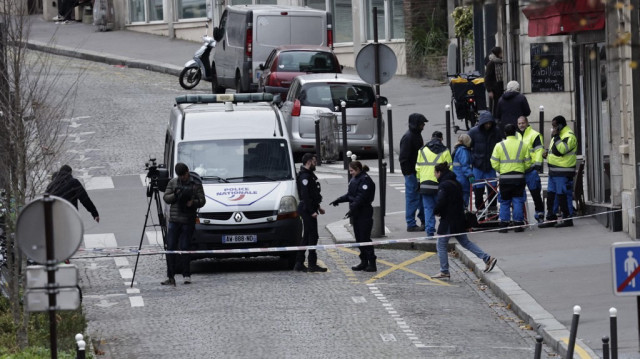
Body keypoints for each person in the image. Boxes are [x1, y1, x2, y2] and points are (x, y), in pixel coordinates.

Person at [432, 162, 497, 279]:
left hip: (448, 219)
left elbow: (441, 201)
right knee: (465, 242)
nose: (434, 176)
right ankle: (487, 258)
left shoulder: (444, 185)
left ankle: (444, 270)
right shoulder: (456, 183)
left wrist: (436, 211)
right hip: (459, 218)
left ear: (439, 172)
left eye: (435, 173)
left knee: (441, 244)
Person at [161, 163, 206, 286]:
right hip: (174, 220)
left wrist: (193, 202)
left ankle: (187, 275)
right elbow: (166, 197)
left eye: (184, 175)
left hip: (188, 220)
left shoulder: (195, 183)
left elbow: (202, 201)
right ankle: (170, 276)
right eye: (180, 176)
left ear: (188, 172)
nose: (182, 178)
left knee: (185, 248)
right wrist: (176, 195)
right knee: (170, 248)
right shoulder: (173, 182)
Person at [330, 161, 377, 272]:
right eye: (350, 171)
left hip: (364, 212)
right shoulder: (355, 179)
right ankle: (364, 261)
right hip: (357, 212)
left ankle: (372, 263)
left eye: (352, 171)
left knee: (365, 238)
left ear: (358, 169)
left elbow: (361, 197)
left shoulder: (365, 180)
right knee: (359, 239)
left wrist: (352, 209)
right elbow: (350, 195)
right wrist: (339, 200)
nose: (350, 173)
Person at [490, 124, 531, 233]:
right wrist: (521, 169)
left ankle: (504, 224)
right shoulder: (523, 145)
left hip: (505, 177)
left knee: (504, 201)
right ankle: (518, 224)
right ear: (515, 133)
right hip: (519, 177)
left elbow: (493, 162)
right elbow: (528, 163)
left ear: (505, 133)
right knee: (517, 200)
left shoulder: (499, 146)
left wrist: (501, 169)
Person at [539, 116, 578, 228]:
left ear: (561, 125)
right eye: (552, 126)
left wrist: (556, 136)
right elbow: (555, 151)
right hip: (554, 171)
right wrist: (547, 154)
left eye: (555, 125)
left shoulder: (569, 136)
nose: (553, 128)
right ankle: (551, 218)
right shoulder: (558, 136)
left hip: (563, 171)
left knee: (562, 195)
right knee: (551, 195)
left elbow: (562, 150)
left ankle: (567, 218)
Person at [416, 131, 452, 238]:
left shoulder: (422, 150)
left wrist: (419, 182)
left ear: (431, 138)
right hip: (440, 184)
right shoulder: (445, 150)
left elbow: (417, 168)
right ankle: (444, 230)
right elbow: (450, 168)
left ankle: (430, 231)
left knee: (428, 208)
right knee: (444, 208)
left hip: (425, 184)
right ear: (441, 139)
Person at [295, 153, 327, 273]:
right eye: (314, 161)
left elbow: (313, 194)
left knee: (307, 236)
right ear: (308, 162)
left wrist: (318, 207)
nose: (315, 164)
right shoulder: (305, 177)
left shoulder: (308, 175)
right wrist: (312, 211)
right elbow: (305, 196)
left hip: (309, 208)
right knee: (313, 235)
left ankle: (299, 263)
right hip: (306, 209)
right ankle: (312, 264)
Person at [398, 113, 427, 232]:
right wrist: (408, 173)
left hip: (415, 172)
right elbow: (404, 158)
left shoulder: (413, 135)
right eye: (422, 123)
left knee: (417, 197)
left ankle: (418, 221)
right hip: (412, 173)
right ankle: (411, 223)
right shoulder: (410, 137)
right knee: (413, 198)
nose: (423, 126)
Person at [468, 111, 502, 212]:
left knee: (492, 191)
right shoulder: (474, 132)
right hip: (479, 166)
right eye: (486, 123)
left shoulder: (495, 131)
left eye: (489, 123)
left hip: (488, 165)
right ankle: (481, 211)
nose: (488, 125)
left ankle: (491, 212)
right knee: (478, 191)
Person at [517, 116, 545, 223]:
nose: (521, 125)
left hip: (531, 170)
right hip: (519, 170)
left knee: (535, 194)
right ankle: (520, 218)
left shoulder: (534, 135)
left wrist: (537, 166)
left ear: (527, 122)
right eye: (519, 123)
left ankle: (540, 214)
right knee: (518, 196)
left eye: (523, 123)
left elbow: (539, 150)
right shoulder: (516, 135)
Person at [452, 134, 473, 207]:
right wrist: (470, 175)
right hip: (463, 179)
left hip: (457, 178)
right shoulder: (463, 151)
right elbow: (465, 165)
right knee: (464, 200)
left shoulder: (457, 149)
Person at [485, 47, 505, 115]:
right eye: (501, 52)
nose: (502, 53)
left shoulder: (500, 62)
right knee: (495, 106)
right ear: (498, 53)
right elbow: (487, 78)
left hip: (500, 87)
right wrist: (489, 91)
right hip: (494, 89)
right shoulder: (491, 63)